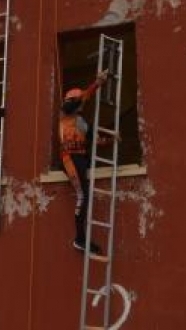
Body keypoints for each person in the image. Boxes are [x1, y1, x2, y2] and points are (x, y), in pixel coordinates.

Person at [59, 69, 113, 253]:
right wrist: (97, 83)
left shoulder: (80, 121)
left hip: (80, 158)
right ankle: (79, 239)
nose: (82, 103)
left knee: (85, 195)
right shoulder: (66, 114)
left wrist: (112, 139)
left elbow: (95, 139)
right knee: (82, 196)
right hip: (70, 158)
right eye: (78, 100)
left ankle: (82, 239)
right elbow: (75, 101)